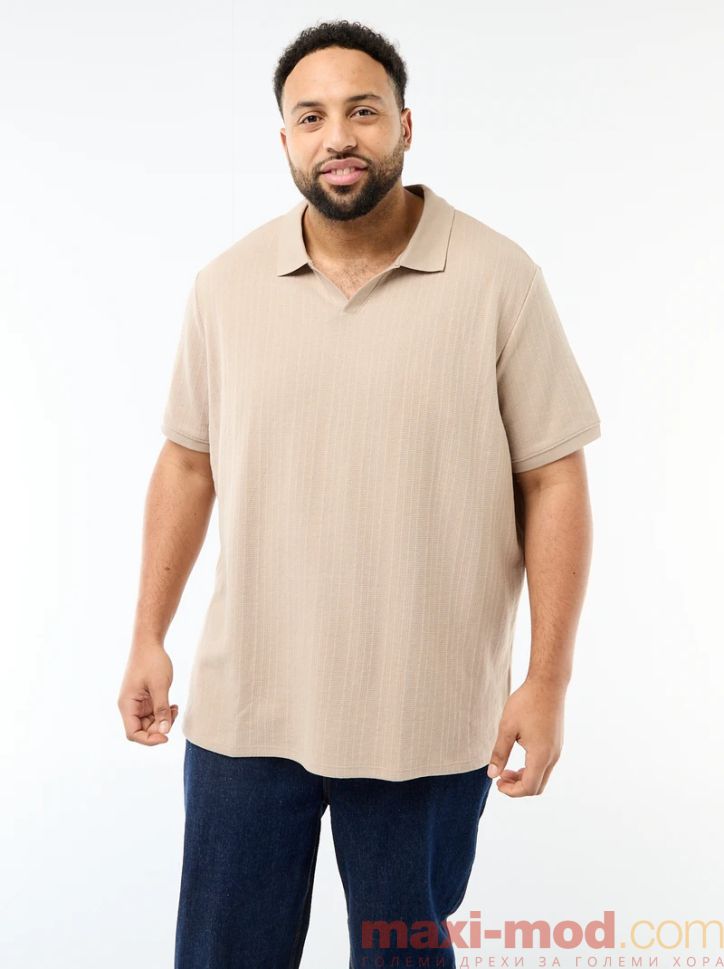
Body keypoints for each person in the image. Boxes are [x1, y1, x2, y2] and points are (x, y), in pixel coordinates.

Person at [117, 19, 602, 969]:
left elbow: (554, 478)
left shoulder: (498, 279)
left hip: (426, 711)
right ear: (285, 140)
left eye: (363, 111)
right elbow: (187, 462)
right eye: (311, 117)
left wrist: (547, 681)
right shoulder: (226, 287)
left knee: (400, 957)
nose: (337, 136)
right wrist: (147, 634)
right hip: (248, 707)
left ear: (405, 127)